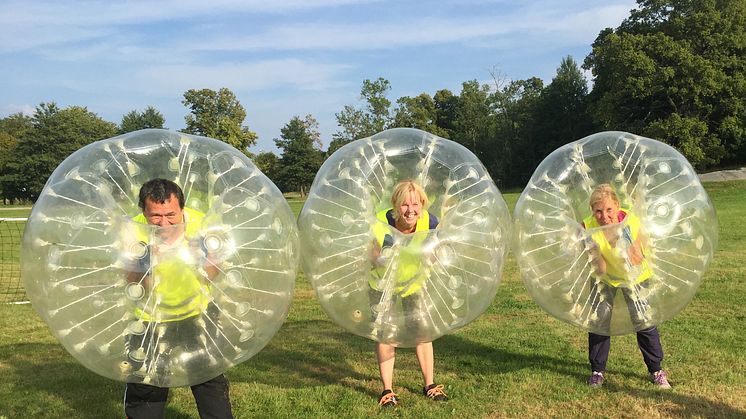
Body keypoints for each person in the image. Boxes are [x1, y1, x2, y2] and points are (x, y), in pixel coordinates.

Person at [124, 178, 233, 419]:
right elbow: (132, 282)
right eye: (156, 216)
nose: (164, 223)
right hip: (150, 317)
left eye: (171, 215)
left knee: (210, 382)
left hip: (198, 312)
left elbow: (215, 273)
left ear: (181, 208)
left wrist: (202, 258)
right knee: (146, 385)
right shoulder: (132, 230)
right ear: (143, 211)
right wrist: (145, 263)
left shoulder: (201, 225)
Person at [582, 184, 671, 389]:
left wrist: (627, 244)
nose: (604, 216)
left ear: (617, 205)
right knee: (599, 323)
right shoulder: (588, 228)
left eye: (609, 209)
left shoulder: (631, 222)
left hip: (635, 276)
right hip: (604, 279)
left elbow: (638, 258)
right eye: (598, 211)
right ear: (592, 211)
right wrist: (595, 249)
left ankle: (656, 370)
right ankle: (597, 371)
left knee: (644, 322)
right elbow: (600, 269)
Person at [369, 180, 448, 407]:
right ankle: (387, 390)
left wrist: (434, 255)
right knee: (387, 335)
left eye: (416, 204)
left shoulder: (430, 221)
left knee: (421, 333)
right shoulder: (380, 222)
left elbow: (437, 249)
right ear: (395, 204)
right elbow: (370, 253)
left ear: (422, 203)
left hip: (413, 284)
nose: (411, 210)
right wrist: (378, 259)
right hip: (382, 285)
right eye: (404, 205)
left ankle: (430, 385)